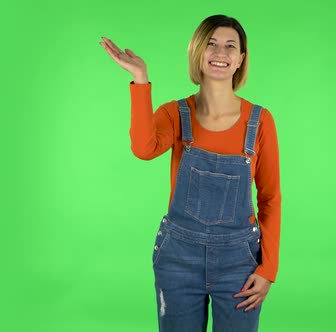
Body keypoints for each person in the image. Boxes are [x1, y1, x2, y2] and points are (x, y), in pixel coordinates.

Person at [100, 14, 281, 332]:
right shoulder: (175, 114)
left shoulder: (260, 121)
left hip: (239, 262)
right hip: (178, 258)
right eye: (210, 43)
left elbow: (270, 198)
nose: (220, 52)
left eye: (230, 46)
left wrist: (268, 268)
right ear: (198, 52)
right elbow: (144, 148)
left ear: (240, 59)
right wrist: (140, 79)